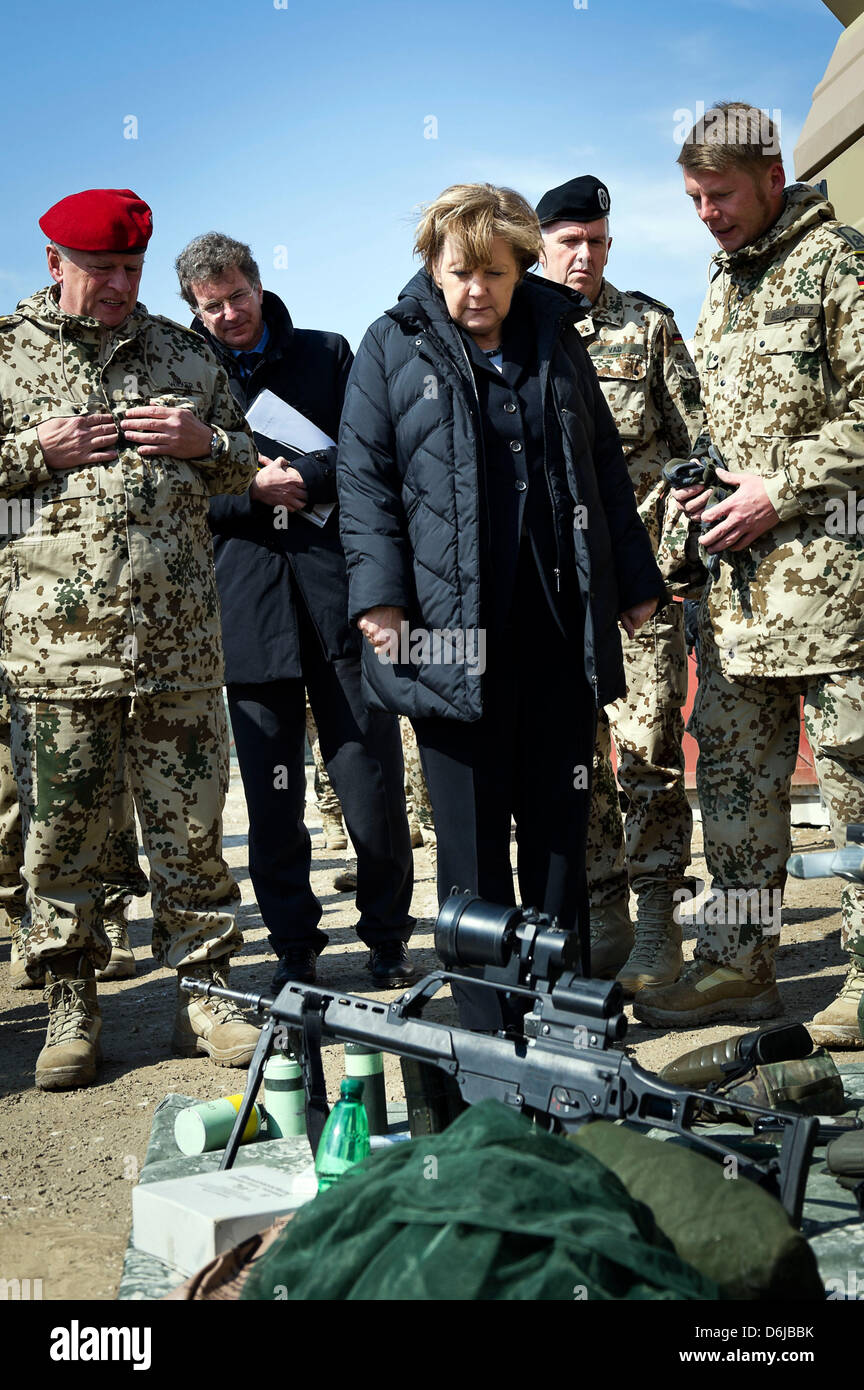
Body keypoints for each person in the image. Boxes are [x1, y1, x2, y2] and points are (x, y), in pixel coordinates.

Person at [337, 183, 667, 1031]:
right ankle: (488, 1027)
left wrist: (634, 584)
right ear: (432, 269)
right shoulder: (391, 346)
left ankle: (561, 1016)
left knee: (560, 835)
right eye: (459, 272)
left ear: (523, 265)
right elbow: (364, 480)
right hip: (449, 637)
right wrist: (379, 599)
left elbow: (602, 466)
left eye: (493, 271)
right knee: (473, 844)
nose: (475, 290)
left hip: (555, 629)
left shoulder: (558, 342)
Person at [0, 188, 261, 1089]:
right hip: (55, 652)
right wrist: (34, 453)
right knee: (62, 841)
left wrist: (203, 441)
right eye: (100, 269)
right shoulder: (5, 357)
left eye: (130, 270)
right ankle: (69, 1000)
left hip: (178, 646)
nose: (118, 285)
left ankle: (209, 992)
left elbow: (246, 461)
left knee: (191, 833)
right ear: (53, 265)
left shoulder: (184, 354)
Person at [635, 103, 864, 1045]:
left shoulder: (842, 263)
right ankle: (740, 967)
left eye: (719, 194)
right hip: (733, 604)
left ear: (772, 176)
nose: (706, 213)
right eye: (692, 198)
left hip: (837, 599)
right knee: (733, 793)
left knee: (857, 790)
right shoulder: (721, 286)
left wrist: (781, 488)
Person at [175, 233, 415, 990]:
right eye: (210, 307)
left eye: (237, 296)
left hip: (337, 594)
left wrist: (302, 478)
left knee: (369, 780)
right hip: (244, 604)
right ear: (194, 309)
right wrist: (248, 488)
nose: (227, 314)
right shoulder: (177, 376)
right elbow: (175, 495)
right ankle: (294, 949)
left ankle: (387, 939)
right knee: (272, 800)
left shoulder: (327, 353)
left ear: (257, 283)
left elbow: (370, 454)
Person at [538, 175, 704, 995]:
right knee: (577, 754)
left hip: (637, 593)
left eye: (598, 242)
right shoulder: (523, 331)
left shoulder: (648, 328)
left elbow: (700, 450)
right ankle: (601, 909)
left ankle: (657, 922)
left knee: (645, 753)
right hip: (553, 594)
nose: (585, 256)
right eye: (570, 242)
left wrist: (669, 551)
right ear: (540, 245)